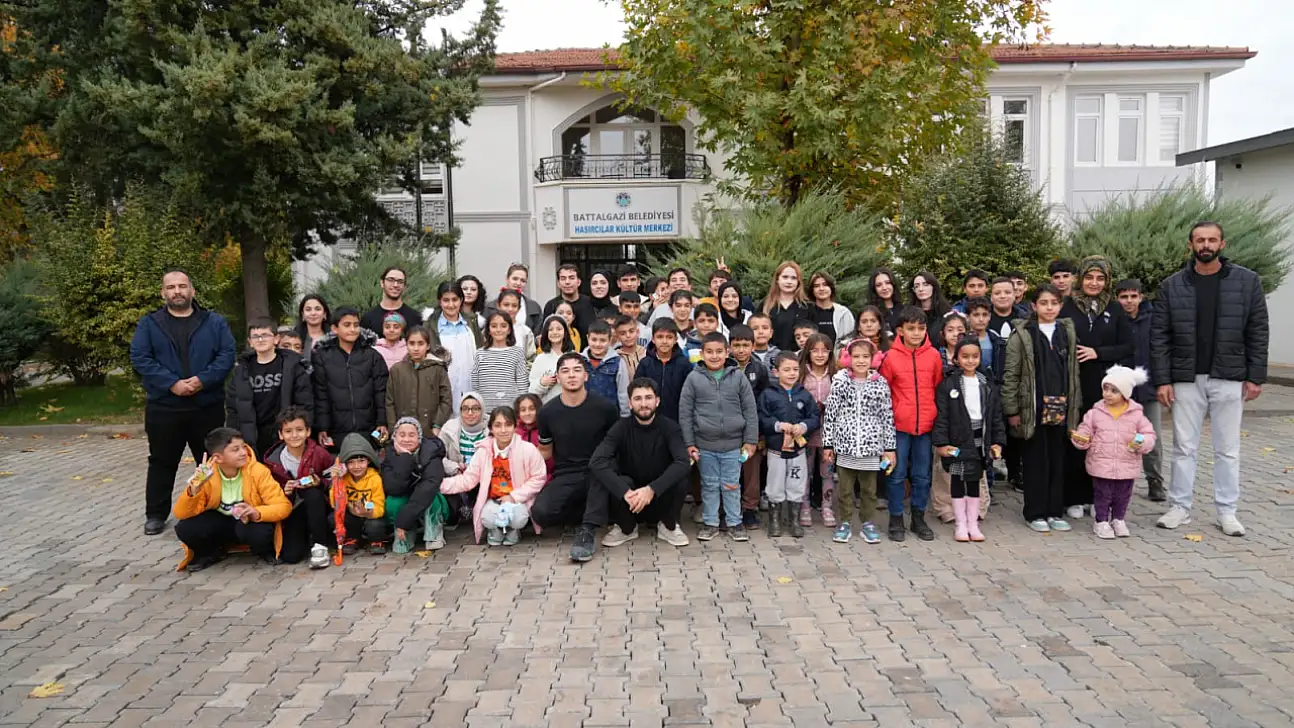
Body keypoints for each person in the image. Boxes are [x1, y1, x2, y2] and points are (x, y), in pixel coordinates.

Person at [1152, 221, 1268, 537]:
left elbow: (1257, 330)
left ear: (1222, 244)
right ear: (1190, 245)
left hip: (1230, 375)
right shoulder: (1171, 285)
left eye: (1212, 239)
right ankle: (1180, 507)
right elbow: (1160, 336)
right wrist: (1163, 380)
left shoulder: (1247, 282)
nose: (1206, 244)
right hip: (1185, 378)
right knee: (1183, 446)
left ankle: (1227, 512)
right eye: (1200, 239)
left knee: (1227, 448)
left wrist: (1255, 375)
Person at [130, 270, 237, 535]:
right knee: (162, 462)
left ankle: (218, 506)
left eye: (182, 286)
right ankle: (156, 514)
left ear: (192, 291)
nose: (177, 291)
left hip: (206, 405)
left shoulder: (214, 322)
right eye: (171, 287)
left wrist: (202, 380)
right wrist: (172, 383)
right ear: (163, 293)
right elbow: (141, 358)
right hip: (164, 407)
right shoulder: (149, 324)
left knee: (213, 461)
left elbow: (226, 355)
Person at [576, 378, 693, 561]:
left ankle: (668, 526)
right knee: (612, 476)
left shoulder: (670, 427)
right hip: (629, 501)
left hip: (660, 498)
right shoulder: (620, 428)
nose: (644, 404)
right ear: (630, 403)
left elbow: (683, 462)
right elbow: (597, 461)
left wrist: (652, 489)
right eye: (638, 399)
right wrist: (625, 492)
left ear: (657, 401)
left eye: (648, 397)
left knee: (680, 476)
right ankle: (626, 529)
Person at [1059, 256, 1134, 521]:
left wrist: (1097, 353)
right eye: (1089, 277)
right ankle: (1073, 497)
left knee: (1101, 443)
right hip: (1073, 386)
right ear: (1080, 278)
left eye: (1100, 278)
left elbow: (1127, 346)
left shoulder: (1114, 310)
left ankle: (1095, 497)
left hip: (1104, 389)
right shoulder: (1066, 307)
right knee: (1076, 440)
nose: (1094, 283)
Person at [1002, 284, 1082, 534]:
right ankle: (1035, 512)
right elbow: (1011, 375)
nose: (1049, 308)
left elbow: (1073, 372)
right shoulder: (1023, 335)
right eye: (1044, 303)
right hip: (1032, 408)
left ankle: (1054, 511)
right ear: (1034, 306)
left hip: (1060, 406)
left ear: (1060, 305)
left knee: (1058, 460)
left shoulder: (1066, 332)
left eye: (1054, 303)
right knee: (1036, 461)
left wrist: (1075, 406)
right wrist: (1012, 410)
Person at [172, 427, 291, 571]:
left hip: (248, 521)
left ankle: (264, 551)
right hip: (221, 522)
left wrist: (256, 512)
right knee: (185, 528)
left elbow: (283, 506)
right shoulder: (206, 474)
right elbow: (181, 513)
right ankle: (210, 553)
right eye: (235, 450)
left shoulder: (257, 470)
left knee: (259, 533)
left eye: (243, 447)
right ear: (218, 458)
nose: (243, 453)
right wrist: (194, 488)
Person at [679, 332, 759, 542]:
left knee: (732, 484)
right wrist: (689, 443)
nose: (714, 356)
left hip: (734, 445)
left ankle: (734, 522)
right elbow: (685, 413)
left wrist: (750, 440)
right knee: (710, 485)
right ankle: (710, 522)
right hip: (705, 445)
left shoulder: (738, 377)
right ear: (702, 354)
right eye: (709, 352)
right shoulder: (693, 378)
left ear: (727, 352)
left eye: (718, 352)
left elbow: (750, 410)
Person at [531, 353, 622, 538]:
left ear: (586, 376)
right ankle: (583, 512)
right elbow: (545, 452)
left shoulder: (605, 408)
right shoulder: (547, 413)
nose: (571, 375)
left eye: (577, 370)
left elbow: (616, 449)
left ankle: (588, 527)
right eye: (565, 371)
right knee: (541, 512)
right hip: (566, 474)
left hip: (598, 472)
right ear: (558, 377)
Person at [877, 306, 944, 542]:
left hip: (925, 427)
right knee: (895, 474)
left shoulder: (934, 355)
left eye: (921, 328)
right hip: (898, 427)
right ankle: (896, 518)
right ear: (900, 331)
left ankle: (918, 518)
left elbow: (936, 386)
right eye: (911, 329)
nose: (916, 333)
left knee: (922, 475)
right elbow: (884, 392)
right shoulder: (891, 357)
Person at [438, 406, 548, 546]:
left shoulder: (527, 449)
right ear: (491, 428)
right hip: (494, 500)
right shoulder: (483, 452)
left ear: (515, 426)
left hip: (517, 500)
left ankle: (513, 530)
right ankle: (495, 531)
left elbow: (538, 478)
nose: (503, 430)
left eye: (508, 425)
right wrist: (438, 485)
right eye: (498, 425)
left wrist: (514, 497)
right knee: (488, 518)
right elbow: (468, 479)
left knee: (517, 518)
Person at [1071, 366, 1157, 539]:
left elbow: (1149, 434)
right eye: (1105, 389)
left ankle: (1118, 519)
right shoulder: (1095, 413)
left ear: (1125, 394)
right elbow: (1085, 430)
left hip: (1127, 463)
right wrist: (1081, 439)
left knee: (1122, 495)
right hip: (1101, 462)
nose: (1108, 394)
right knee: (1102, 494)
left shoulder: (1137, 415)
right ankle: (1101, 521)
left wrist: (1142, 443)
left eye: (1114, 391)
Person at [932, 338, 1006, 543]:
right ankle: (960, 523)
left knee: (974, 479)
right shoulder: (948, 384)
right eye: (965, 356)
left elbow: (996, 416)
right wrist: (940, 443)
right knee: (957, 480)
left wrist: (997, 441)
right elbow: (942, 416)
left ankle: (973, 523)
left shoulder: (987, 384)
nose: (970, 360)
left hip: (980, 437)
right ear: (956, 359)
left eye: (975, 356)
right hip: (957, 438)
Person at [822, 339, 894, 545]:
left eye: (865, 356)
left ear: (873, 359)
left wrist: (889, 448)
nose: (861, 360)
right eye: (856, 356)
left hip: (872, 447)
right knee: (844, 489)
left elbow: (887, 417)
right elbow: (831, 414)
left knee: (869, 490)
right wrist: (828, 444)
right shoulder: (840, 380)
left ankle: (867, 523)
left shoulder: (880, 382)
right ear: (848, 358)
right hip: (845, 446)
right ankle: (844, 522)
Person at [265, 407, 338, 568]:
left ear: (308, 431)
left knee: (312, 492)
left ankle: (320, 545)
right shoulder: (274, 461)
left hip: (319, 506)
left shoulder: (320, 453)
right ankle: (305, 539)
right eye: (288, 431)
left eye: (299, 430)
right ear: (280, 434)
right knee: (291, 556)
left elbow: (333, 480)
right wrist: (285, 490)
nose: (294, 435)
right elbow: (269, 492)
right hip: (293, 508)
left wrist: (320, 482)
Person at [224, 320, 312, 455]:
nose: (260, 339)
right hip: (252, 433)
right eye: (255, 336)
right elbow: (233, 407)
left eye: (265, 335)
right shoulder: (241, 371)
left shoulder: (292, 366)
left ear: (276, 339)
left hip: (285, 431)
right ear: (250, 342)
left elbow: (304, 402)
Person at [758, 352, 820, 538]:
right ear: (776, 372)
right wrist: (777, 426)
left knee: (797, 482)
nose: (792, 373)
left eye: (795, 369)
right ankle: (774, 520)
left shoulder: (804, 394)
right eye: (786, 370)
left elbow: (815, 416)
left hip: (798, 450)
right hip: (776, 449)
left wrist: (803, 426)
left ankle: (794, 520)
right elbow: (761, 417)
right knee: (774, 484)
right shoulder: (768, 394)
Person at [311, 307, 389, 449]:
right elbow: (320, 395)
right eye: (347, 325)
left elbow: (381, 392)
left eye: (356, 325)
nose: (352, 329)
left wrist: (382, 421)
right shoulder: (322, 357)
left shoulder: (372, 356)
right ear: (335, 329)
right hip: (337, 430)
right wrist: (322, 427)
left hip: (369, 429)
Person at [1115, 279, 1165, 502]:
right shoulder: (1114, 320)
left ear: (1141, 297)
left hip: (1148, 387)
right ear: (1118, 298)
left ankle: (1155, 480)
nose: (1129, 301)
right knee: (1118, 437)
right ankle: (1117, 482)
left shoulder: (1154, 319)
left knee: (1151, 437)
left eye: (1133, 296)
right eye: (1124, 297)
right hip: (1119, 389)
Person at [383, 417, 450, 552]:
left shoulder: (432, 454)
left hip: (426, 497)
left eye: (411, 435)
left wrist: (403, 521)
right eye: (402, 435)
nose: (406, 439)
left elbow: (427, 488)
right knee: (393, 502)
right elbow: (394, 488)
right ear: (395, 438)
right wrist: (405, 458)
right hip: (406, 499)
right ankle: (406, 534)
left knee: (432, 499)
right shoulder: (389, 455)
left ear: (419, 437)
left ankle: (433, 531)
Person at [729, 325, 770, 527]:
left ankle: (749, 509)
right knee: (730, 470)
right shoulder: (724, 367)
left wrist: (760, 434)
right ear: (729, 347)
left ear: (753, 346)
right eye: (736, 345)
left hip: (752, 430)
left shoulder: (759, 369)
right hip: (728, 429)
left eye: (745, 345)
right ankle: (729, 507)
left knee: (751, 470)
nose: (741, 350)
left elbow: (764, 402)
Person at [797, 332, 838, 528]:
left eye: (825, 350)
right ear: (808, 352)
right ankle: (804, 506)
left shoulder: (836, 374)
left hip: (829, 433)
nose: (820, 354)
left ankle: (827, 506)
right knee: (805, 470)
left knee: (827, 472)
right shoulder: (801, 373)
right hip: (806, 431)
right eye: (815, 350)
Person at [427, 281, 485, 414]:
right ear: (439, 301)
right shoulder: (431, 325)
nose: (451, 305)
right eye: (446, 300)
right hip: (444, 385)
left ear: (461, 300)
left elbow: (480, 350)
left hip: (470, 381)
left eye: (455, 299)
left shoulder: (471, 322)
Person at [385, 326, 452, 438]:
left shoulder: (438, 369)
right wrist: (393, 429)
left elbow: (446, 399)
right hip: (403, 432)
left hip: (429, 430)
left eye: (420, 344)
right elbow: (389, 402)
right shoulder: (397, 370)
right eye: (412, 343)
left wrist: (437, 425)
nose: (416, 348)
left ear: (428, 346)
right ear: (406, 345)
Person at [329, 433, 387, 555]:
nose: (357, 466)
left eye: (361, 461)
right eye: (351, 462)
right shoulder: (343, 478)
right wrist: (336, 481)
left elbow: (380, 506)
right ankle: (352, 539)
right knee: (333, 518)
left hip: (370, 514)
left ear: (369, 461)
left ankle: (376, 541)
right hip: (351, 515)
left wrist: (367, 510)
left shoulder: (374, 478)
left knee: (375, 524)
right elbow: (335, 504)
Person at [634, 319, 693, 424]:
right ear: (653, 339)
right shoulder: (645, 364)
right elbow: (637, 391)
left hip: (677, 420)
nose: (664, 341)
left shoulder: (684, 364)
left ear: (675, 340)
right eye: (660, 337)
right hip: (650, 420)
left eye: (669, 337)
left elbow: (690, 395)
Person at [471, 312, 530, 416]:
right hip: (486, 410)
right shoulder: (480, 353)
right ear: (488, 330)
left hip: (511, 409)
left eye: (503, 326)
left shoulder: (517, 352)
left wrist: (522, 407)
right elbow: (475, 383)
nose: (498, 330)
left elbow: (522, 383)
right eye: (494, 326)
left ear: (509, 330)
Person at [583, 320, 630, 416]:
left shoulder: (618, 362)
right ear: (588, 338)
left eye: (603, 340)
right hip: (584, 413)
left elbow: (623, 393)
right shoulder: (580, 361)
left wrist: (625, 416)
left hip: (610, 415)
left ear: (610, 340)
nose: (598, 344)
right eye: (594, 339)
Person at [762, 261, 811, 352]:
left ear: (798, 282)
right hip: (771, 358)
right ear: (777, 279)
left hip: (800, 358)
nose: (789, 281)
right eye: (785, 277)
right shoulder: (765, 305)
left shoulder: (807, 307)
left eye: (793, 278)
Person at [360, 266, 423, 334]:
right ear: (382, 283)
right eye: (391, 280)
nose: (395, 285)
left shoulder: (415, 317)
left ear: (404, 286)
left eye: (400, 281)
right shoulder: (368, 318)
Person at [530, 315, 576, 404]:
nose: (555, 332)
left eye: (559, 329)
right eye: (550, 330)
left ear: (565, 332)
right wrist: (542, 383)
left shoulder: (574, 356)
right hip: (547, 406)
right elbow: (532, 391)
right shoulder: (540, 359)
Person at [543, 264, 596, 339]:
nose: (567, 282)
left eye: (571, 278)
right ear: (558, 283)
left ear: (579, 282)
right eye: (563, 278)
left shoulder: (590, 303)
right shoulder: (551, 305)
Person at [488, 263, 543, 332]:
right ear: (507, 279)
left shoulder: (534, 307)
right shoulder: (489, 307)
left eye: (523, 281)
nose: (518, 283)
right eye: (515, 279)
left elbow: (537, 335)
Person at [805, 272, 854, 345]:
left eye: (825, 285)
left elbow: (850, 339)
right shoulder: (806, 312)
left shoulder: (843, 313)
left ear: (831, 287)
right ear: (812, 291)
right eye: (816, 286)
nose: (821, 289)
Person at [838, 307, 891, 372]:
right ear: (858, 327)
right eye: (864, 322)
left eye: (873, 321)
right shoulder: (848, 347)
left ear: (879, 325)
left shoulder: (890, 345)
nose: (869, 325)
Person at [514, 393, 553, 477]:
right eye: (523, 410)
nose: (527, 413)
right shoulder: (514, 433)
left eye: (532, 409)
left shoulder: (546, 429)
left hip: (546, 477)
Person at [494, 289, 536, 361]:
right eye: (506, 305)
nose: (510, 309)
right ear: (498, 305)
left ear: (519, 308)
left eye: (514, 306)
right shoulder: (490, 329)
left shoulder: (525, 331)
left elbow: (531, 359)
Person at [294, 294, 331, 370]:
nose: (313, 313)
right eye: (308, 309)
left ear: (324, 313)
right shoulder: (294, 338)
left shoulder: (334, 337)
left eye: (317, 309)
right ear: (303, 315)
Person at [988, 276, 1027, 340]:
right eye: (997, 293)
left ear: (1014, 295)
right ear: (991, 297)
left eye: (1007, 292)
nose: (1003, 296)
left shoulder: (1026, 320)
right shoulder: (981, 320)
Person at [867, 267, 903, 334]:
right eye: (879, 285)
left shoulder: (904, 309)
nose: (884, 287)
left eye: (887, 283)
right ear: (874, 289)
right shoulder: (870, 313)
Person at [613, 314, 645, 380]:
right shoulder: (615, 358)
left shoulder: (647, 353)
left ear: (638, 332)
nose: (628, 335)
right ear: (617, 337)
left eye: (631, 331)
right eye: (622, 333)